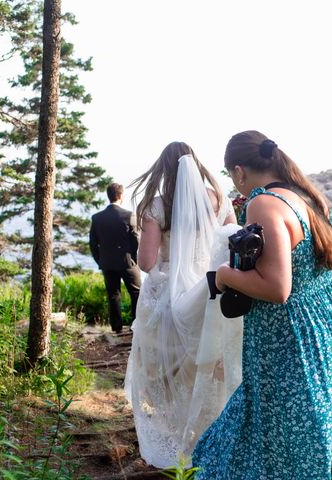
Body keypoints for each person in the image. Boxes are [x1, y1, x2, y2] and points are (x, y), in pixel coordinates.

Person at [192, 131, 332, 479]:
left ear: (238, 171)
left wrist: (223, 275)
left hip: (288, 333)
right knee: (303, 437)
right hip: (324, 321)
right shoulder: (306, 196)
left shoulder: (263, 203)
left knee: (280, 437)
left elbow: (279, 288)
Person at [124, 141, 243, 469]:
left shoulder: (156, 206)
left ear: (163, 169)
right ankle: (206, 440)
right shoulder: (218, 199)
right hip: (208, 292)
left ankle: (175, 439)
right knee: (204, 368)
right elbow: (232, 239)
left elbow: (147, 262)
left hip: (168, 301)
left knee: (166, 372)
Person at [89, 183, 141, 333]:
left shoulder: (97, 218)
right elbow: (135, 240)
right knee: (137, 293)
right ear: (120, 196)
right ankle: (135, 327)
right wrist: (134, 259)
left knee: (113, 295)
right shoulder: (128, 215)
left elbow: (93, 244)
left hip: (107, 263)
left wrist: (100, 260)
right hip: (128, 262)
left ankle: (116, 328)